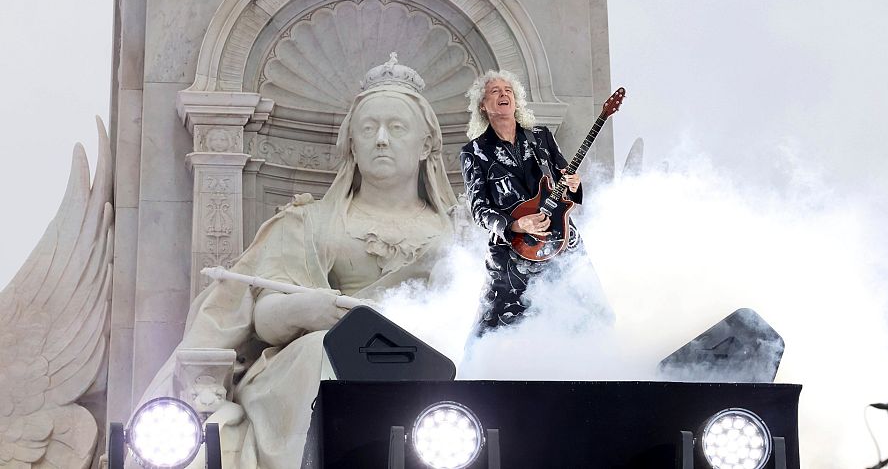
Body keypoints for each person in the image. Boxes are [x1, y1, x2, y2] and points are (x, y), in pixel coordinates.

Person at [136, 56, 458, 469]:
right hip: (321, 357)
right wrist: (307, 310)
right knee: (322, 350)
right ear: (352, 144)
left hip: (438, 362)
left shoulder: (458, 231)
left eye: (396, 128)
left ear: (426, 144)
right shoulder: (308, 222)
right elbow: (264, 317)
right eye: (368, 128)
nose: (381, 139)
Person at [459, 70, 586, 336]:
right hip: (512, 250)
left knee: (583, 314)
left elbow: (565, 179)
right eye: (495, 91)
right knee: (496, 329)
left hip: (560, 238)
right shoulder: (474, 152)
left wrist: (573, 184)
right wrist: (515, 225)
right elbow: (480, 210)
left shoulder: (541, 137)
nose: (503, 94)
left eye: (508, 90)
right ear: (483, 105)